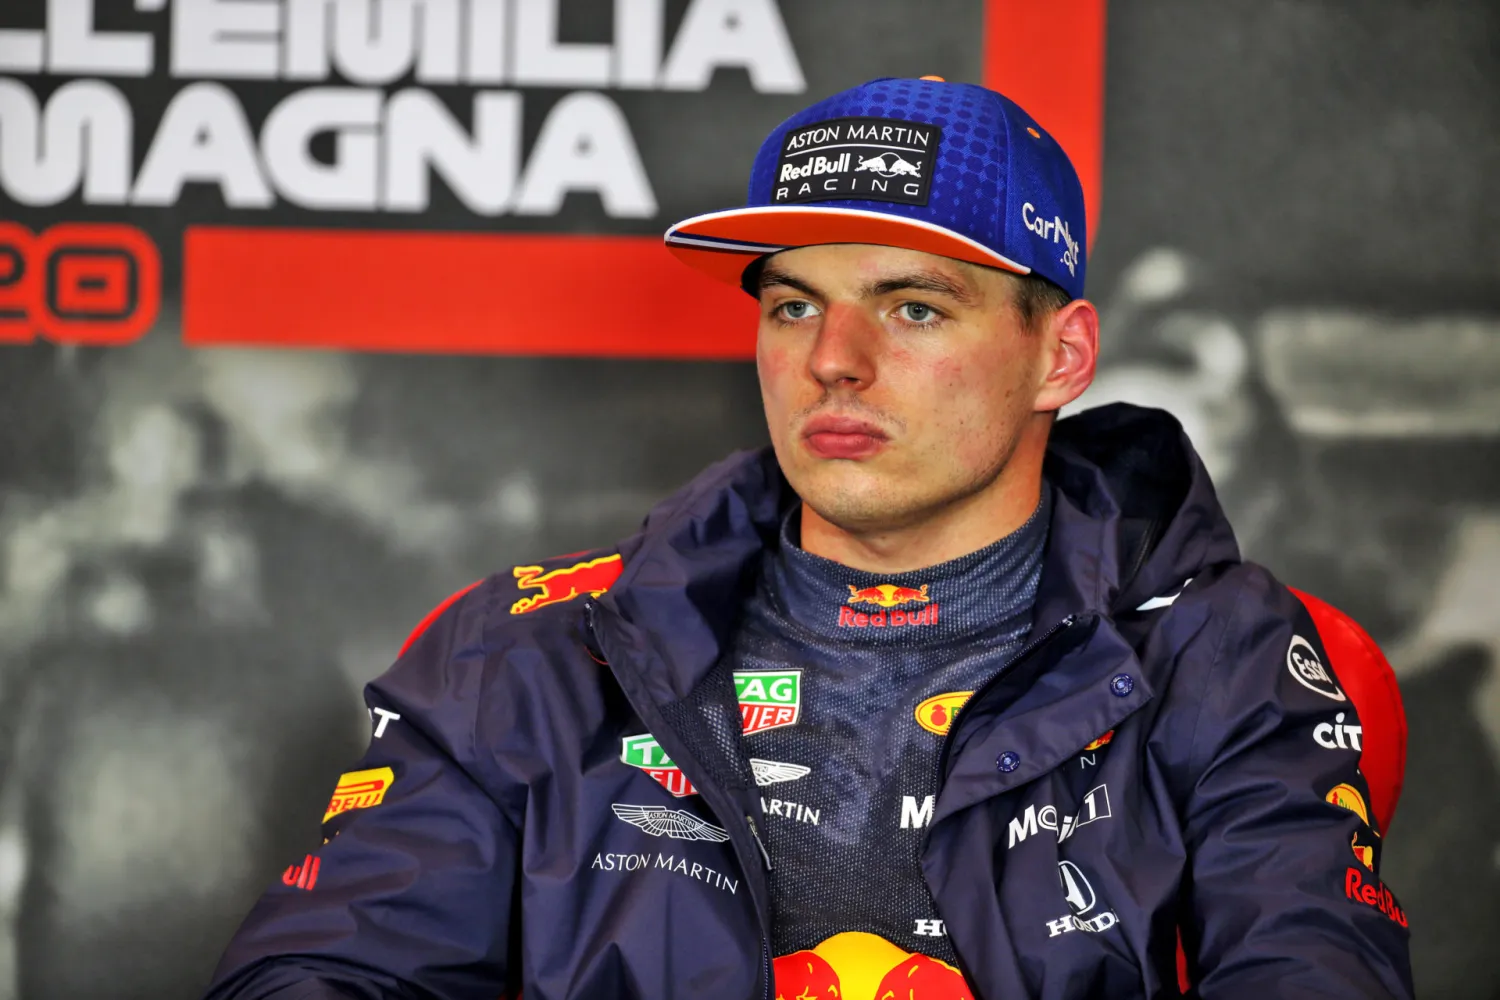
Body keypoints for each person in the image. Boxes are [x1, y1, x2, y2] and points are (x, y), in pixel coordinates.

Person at [203, 77, 1414, 1000]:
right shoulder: (532, 652)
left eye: (913, 307)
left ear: (1062, 356)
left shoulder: (1219, 653)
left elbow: (1311, 963)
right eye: (793, 305)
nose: (833, 359)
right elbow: (321, 970)